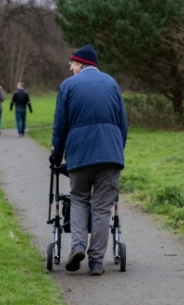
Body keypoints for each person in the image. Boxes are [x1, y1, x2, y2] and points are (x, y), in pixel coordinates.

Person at [49, 44, 128, 276]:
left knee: (79, 199)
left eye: (71, 64)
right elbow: (123, 124)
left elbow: (60, 125)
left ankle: (78, 246)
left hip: (80, 153)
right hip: (110, 154)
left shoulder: (68, 86)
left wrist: (56, 153)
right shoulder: (112, 83)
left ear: (80, 63)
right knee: (103, 208)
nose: (70, 68)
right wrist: (116, 150)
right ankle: (96, 262)